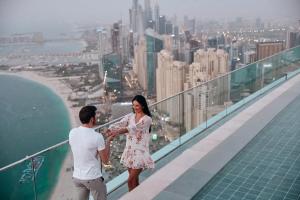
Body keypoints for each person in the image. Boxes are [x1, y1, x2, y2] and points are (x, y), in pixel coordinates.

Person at [108, 95, 154, 191]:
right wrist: (110, 128)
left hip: (140, 152)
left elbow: (133, 128)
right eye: (133, 105)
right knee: (134, 180)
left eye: (137, 105)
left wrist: (117, 132)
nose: (135, 107)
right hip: (129, 151)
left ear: (143, 106)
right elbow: (120, 123)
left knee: (130, 180)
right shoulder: (130, 116)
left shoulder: (147, 119)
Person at [69, 105, 114, 200]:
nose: (96, 118)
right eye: (95, 116)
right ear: (92, 119)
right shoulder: (97, 136)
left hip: (77, 178)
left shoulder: (72, 132)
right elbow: (105, 161)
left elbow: (83, 148)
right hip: (92, 178)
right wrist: (108, 141)